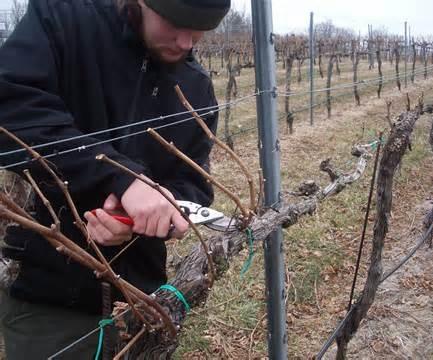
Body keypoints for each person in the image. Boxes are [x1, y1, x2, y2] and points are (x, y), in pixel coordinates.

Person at [0, 0, 230, 358]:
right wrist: (120, 178)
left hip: (143, 303)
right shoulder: (63, 17)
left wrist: (152, 217)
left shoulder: (195, 90)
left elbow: (193, 186)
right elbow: (12, 114)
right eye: (173, 22)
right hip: (49, 301)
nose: (186, 42)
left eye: (202, 29)